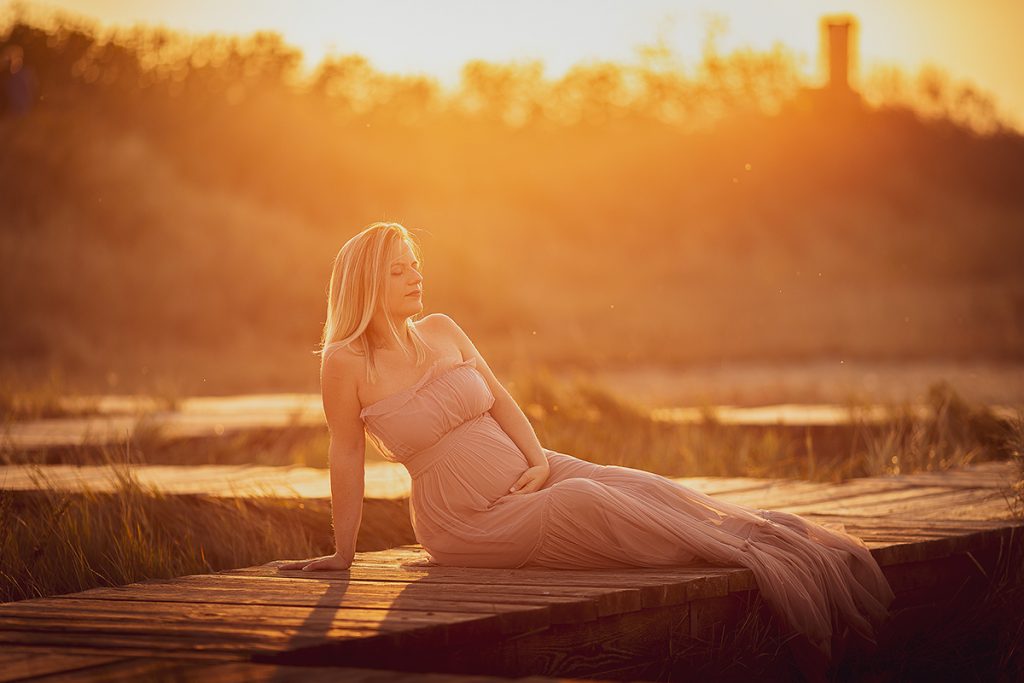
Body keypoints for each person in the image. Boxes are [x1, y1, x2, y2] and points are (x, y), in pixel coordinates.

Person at [280, 221, 895, 670]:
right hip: (465, 519)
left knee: (636, 483)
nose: (417, 275)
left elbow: (501, 400)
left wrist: (541, 460)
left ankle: (764, 541)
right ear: (367, 281)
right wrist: (342, 553)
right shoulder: (346, 361)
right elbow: (346, 455)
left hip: (529, 471)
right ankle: (739, 556)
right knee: (586, 500)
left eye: (416, 263)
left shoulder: (441, 330)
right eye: (399, 269)